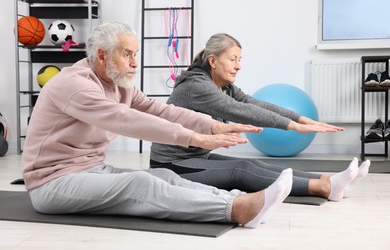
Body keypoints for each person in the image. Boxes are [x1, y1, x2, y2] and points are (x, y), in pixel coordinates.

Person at [22, 22, 297, 229]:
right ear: (103, 56)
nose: (134, 63)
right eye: (127, 54)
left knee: (163, 176)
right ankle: (236, 209)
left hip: (92, 169)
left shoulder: (119, 83)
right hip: (52, 183)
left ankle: (238, 198)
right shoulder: (75, 85)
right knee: (139, 182)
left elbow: (161, 110)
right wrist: (194, 138)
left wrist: (212, 126)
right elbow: (124, 119)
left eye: (135, 54)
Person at [150, 33, 371, 201]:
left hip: (197, 158)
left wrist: (301, 119)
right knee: (242, 170)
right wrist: (291, 126)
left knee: (254, 163)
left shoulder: (223, 85)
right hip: (172, 164)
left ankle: (328, 180)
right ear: (213, 61)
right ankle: (323, 188)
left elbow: (252, 102)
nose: (238, 66)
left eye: (240, 59)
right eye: (232, 59)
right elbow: (240, 110)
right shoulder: (197, 86)